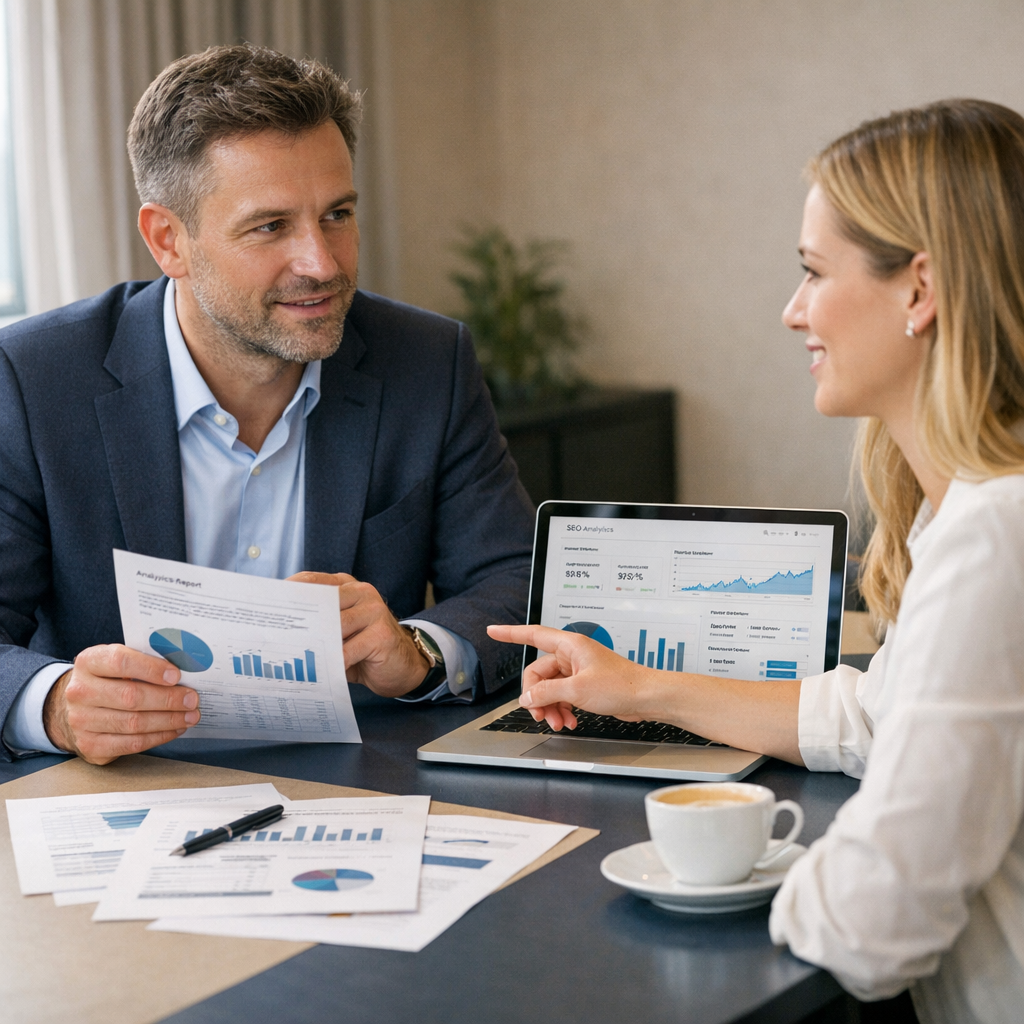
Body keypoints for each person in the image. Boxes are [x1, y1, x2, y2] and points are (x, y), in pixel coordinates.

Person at [490, 99, 1024, 1022]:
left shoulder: (994, 536)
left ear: (921, 290)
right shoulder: (975, 511)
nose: (792, 311)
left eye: (813, 273)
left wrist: (745, 864)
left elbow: (867, 931)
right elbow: (873, 710)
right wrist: (640, 686)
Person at [0, 44, 534, 766]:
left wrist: (418, 651)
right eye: (270, 227)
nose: (323, 263)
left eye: (337, 214)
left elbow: (513, 581)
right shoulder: (34, 380)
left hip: (360, 784)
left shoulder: (426, 362)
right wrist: (58, 706)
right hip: (119, 794)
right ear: (168, 240)